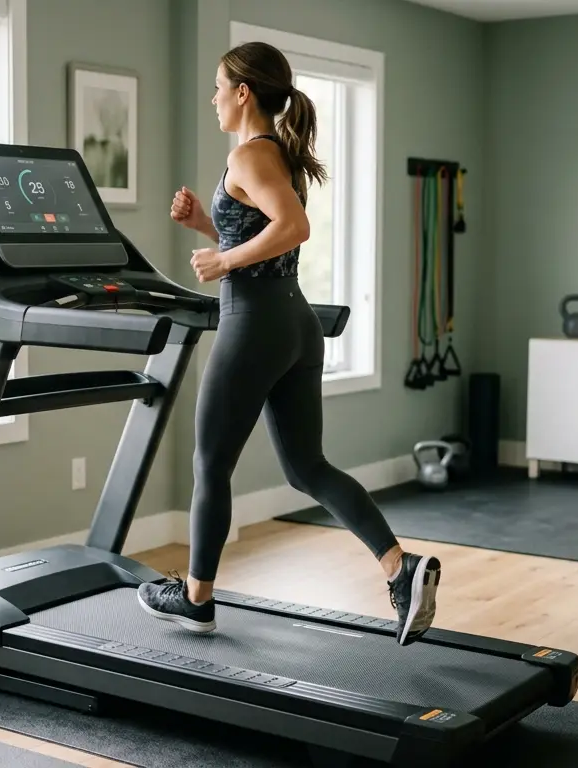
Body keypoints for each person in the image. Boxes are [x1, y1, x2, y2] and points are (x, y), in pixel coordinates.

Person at [136, 41, 442, 647]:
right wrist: (207, 224)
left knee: (210, 464)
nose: (213, 98)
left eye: (219, 86)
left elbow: (294, 226)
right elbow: (264, 228)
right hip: (294, 323)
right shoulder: (274, 153)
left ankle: (196, 600)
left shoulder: (249, 154)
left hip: (254, 324)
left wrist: (223, 260)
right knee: (307, 467)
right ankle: (400, 568)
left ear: (243, 91)